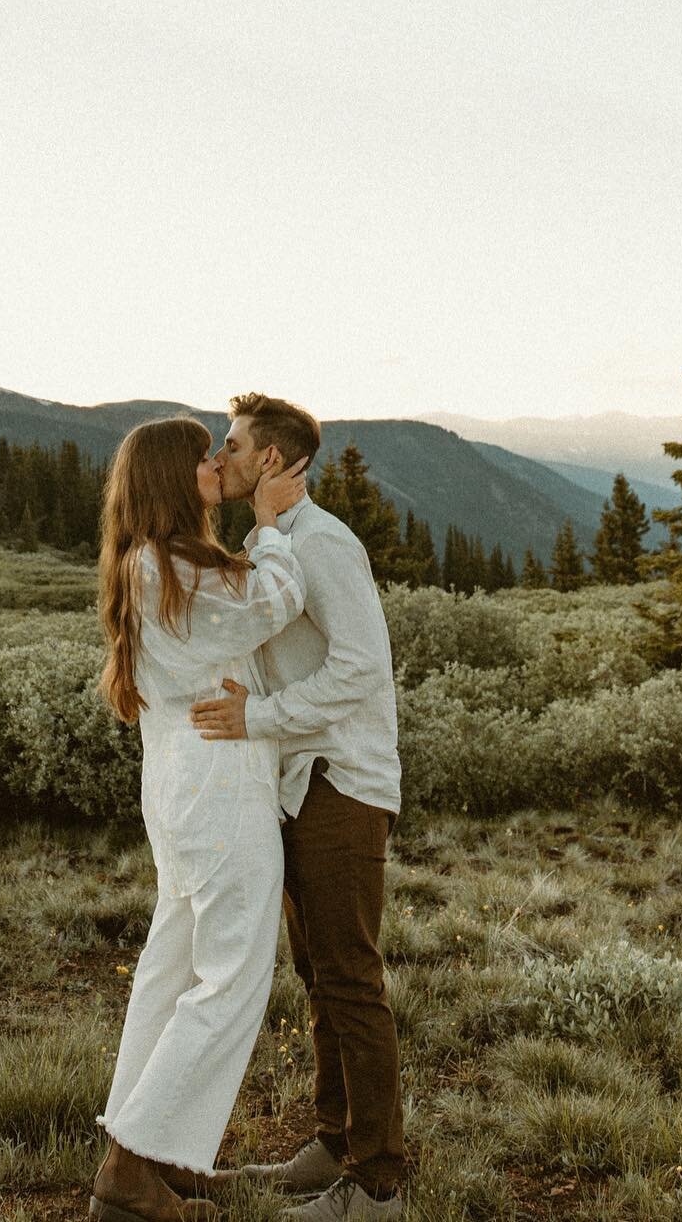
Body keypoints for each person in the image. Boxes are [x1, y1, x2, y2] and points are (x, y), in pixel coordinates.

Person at [91, 415, 310, 1222]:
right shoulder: (170, 568)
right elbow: (273, 605)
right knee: (230, 973)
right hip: (217, 794)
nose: (219, 462)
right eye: (204, 456)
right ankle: (132, 1167)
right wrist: (272, 526)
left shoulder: (146, 563)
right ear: (173, 478)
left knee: (174, 967)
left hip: (182, 792)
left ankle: (146, 1150)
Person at [191, 392, 403, 1221]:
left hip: (342, 782)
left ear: (271, 460)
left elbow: (360, 670)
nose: (224, 455)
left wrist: (260, 720)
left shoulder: (325, 544)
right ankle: (332, 1144)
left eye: (235, 445)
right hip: (298, 782)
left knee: (350, 975)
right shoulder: (268, 542)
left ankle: (380, 1183)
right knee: (319, 971)